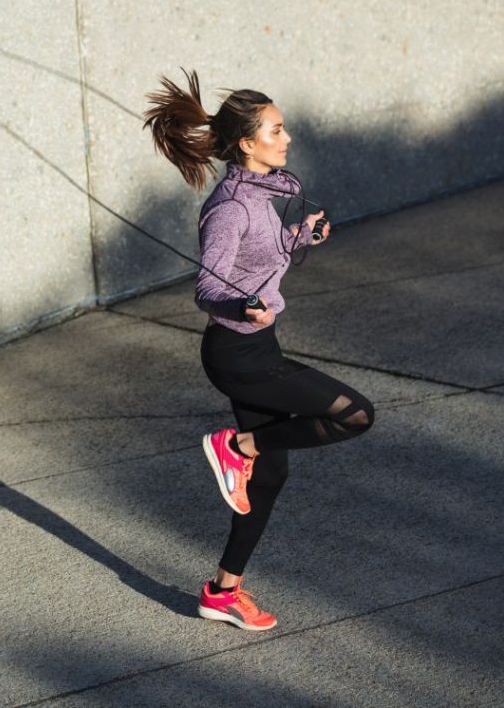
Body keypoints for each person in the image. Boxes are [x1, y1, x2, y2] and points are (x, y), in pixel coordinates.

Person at [144, 71, 375, 631]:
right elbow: (209, 286)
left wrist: (300, 238)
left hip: (256, 346)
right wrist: (242, 303)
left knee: (269, 480)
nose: (287, 137)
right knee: (355, 414)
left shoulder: (267, 193)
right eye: (277, 129)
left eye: (284, 126)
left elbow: (260, 256)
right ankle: (237, 445)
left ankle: (223, 592)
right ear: (247, 143)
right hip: (239, 355)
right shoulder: (229, 208)